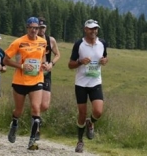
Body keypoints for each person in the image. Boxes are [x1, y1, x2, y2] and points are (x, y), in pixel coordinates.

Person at [3, 17, 50, 150]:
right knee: (19, 110)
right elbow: (6, 60)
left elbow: (43, 57)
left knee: (36, 108)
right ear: (27, 28)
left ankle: (32, 140)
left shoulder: (42, 42)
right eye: (31, 28)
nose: (34, 30)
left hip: (37, 79)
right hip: (20, 81)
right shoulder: (19, 42)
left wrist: (44, 65)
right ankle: (14, 123)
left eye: (36, 28)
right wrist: (22, 66)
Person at [68, 19, 109, 153]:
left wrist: (104, 61)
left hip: (95, 82)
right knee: (82, 113)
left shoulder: (102, 43)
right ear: (85, 29)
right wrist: (80, 62)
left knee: (98, 111)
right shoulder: (79, 44)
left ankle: (90, 123)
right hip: (81, 84)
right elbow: (70, 64)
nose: (94, 31)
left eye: (96, 28)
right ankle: (80, 141)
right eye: (91, 29)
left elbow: (105, 57)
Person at [36, 17, 61, 140]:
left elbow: (58, 54)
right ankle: (36, 130)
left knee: (44, 105)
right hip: (34, 74)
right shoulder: (32, 39)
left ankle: (36, 117)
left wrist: (52, 64)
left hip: (46, 74)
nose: (41, 30)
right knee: (36, 103)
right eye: (39, 27)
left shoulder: (50, 40)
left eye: (43, 27)